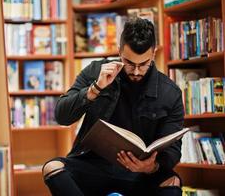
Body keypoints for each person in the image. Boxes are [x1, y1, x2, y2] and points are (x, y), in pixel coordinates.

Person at [42, 17, 184, 196]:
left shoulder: (170, 93)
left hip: (140, 174)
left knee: (172, 182)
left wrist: (151, 166)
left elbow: (173, 150)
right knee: (52, 168)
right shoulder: (96, 71)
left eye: (143, 64)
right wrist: (95, 89)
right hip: (94, 166)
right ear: (119, 52)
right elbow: (62, 116)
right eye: (130, 63)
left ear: (153, 54)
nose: (136, 71)